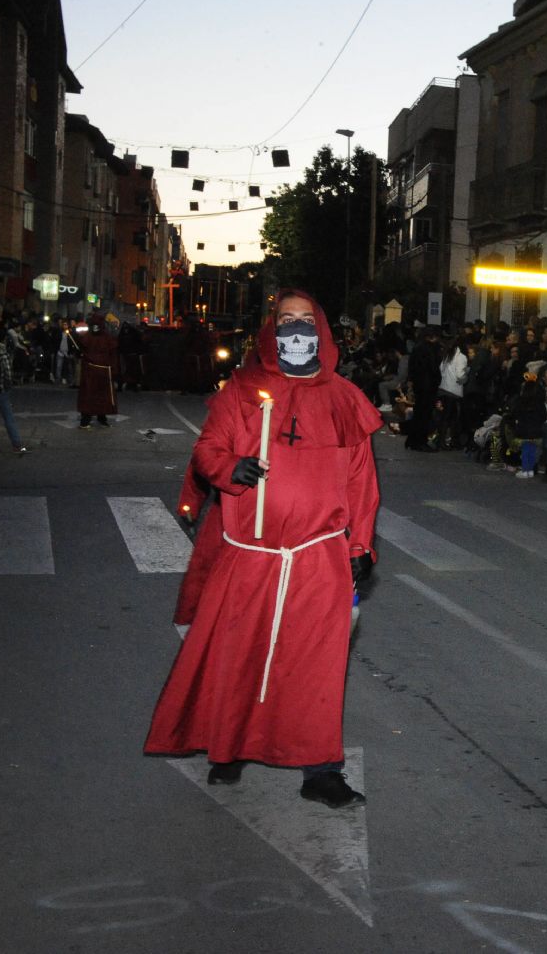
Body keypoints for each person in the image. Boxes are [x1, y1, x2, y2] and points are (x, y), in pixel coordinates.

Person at [145, 289, 381, 808]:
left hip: (319, 556)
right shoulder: (243, 391)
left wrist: (361, 542)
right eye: (285, 321)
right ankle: (227, 749)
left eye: (305, 321)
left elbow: (362, 481)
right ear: (270, 330)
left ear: (322, 330)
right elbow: (207, 449)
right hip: (250, 554)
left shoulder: (344, 397)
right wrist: (231, 468)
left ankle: (321, 770)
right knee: (239, 656)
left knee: (317, 666)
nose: (296, 330)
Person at [76, 312, 118, 429]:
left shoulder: (102, 338)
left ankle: (98, 418)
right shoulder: (93, 337)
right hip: (93, 372)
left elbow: (112, 353)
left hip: (99, 372)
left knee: (96, 396)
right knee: (94, 395)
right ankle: (89, 419)